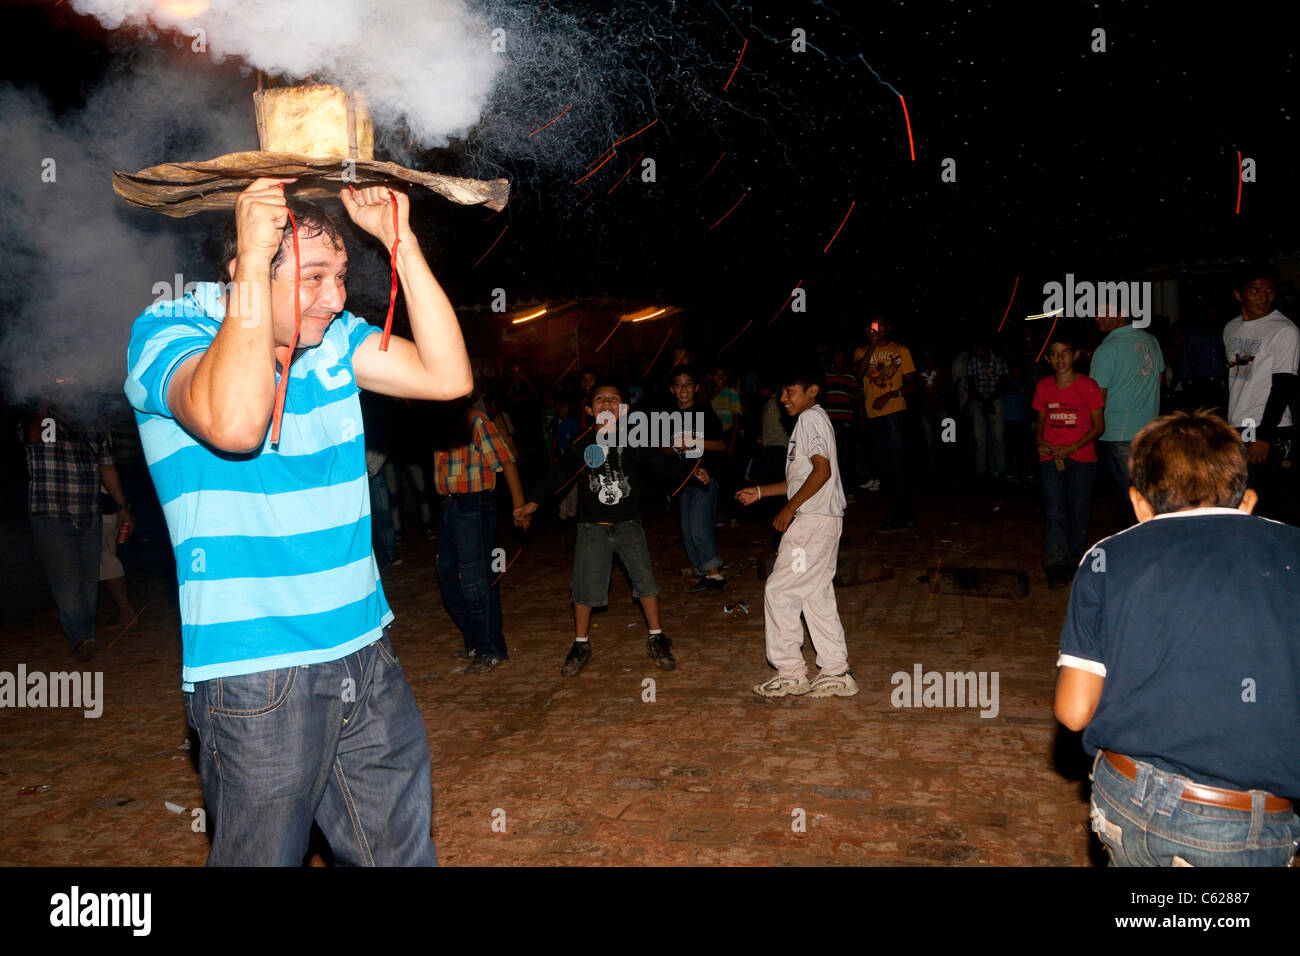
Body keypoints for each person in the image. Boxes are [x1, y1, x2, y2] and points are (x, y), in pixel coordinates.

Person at [125, 180, 472, 866]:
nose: (336, 298)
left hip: (365, 654)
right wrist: (255, 264)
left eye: (341, 276)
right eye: (314, 277)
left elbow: (447, 376)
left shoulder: (337, 341)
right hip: (257, 674)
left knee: (401, 858)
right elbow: (232, 424)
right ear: (245, 271)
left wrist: (402, 243)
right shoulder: (168, 330)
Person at [1054, 410, 1300, 866]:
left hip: (1126, 799)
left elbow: (1073, 712)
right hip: (1246, 819)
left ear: (1139, 504)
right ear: (1246, 502)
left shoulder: (1107, 557)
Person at [517, 381, 679, 676]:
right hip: (592, 527)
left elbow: (660, 466)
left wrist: (692, 470)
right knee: (584, 586)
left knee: (646, 582)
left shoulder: (634, 439)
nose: (607, 404)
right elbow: (560, 473)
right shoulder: (582, 441)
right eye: (600, 400)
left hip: (629, 525)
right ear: (590, 410)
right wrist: (533, 502)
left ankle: (656, 637)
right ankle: (581, 644)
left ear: (625, 409)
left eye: (614, 399)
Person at [734, 363, 856, 698]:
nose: (783, 399)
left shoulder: (810, 418)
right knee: (813, 593)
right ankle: (836, 670)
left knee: (780, 590)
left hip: (811, 523)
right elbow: (799, 480)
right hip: (824, 520)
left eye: (790, 392)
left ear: (812, 390)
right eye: (781, 392)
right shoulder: (812, 422)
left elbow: (822, 471)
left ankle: (790, 672)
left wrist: (790, 508)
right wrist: (760, 492)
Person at [21, 407, 133, 660]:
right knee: (68, 584)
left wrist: (122, 506)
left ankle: (85, 633)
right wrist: (42, 403)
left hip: (89, 515)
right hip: (52, 516)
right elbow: (31, 436)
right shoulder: (42, 422)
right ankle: (81, 637)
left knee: (89, 584)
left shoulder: (89, 425)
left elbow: (106, 467)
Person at [430, 398, 527, 672]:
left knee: (477, 579)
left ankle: (492, 648)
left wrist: (519, 506)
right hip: (450, 505)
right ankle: (475, 641)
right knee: (447, 576)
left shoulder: (477, 422)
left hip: (475, 505)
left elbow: (507, 461)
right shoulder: (439, 425)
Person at [1223, 263, 1298, 517]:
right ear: (1238, 295)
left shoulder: (1284, 330)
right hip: (1239, 425)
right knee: (1239, 500)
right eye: (1254, 291)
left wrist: (1263, 436)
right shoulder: (1231, 328)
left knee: (1266, 506)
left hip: (1268, 427)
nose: (1263, 297)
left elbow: (1284, 386)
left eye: (1268, 290)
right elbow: (1239, 379)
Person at [1032, 331, 1105, 589]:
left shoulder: (1088, 385)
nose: (1060, 359)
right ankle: (1055, 567)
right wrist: (1040, 440)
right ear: (1048, 359)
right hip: (1050, 458)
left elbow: (1098, 426)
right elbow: (1040, 421)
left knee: (1079, 513)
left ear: (1075, 356)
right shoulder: (1043, 387)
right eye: (1054, 354)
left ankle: (1075, 564)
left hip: (1082, 459)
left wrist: (1072, 447)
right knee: (1055, 513)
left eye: (1065, 353)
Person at [1090, 303, 1165, 526]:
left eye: (1103, 312)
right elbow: (1161, 382)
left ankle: (1134, 550)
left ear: (1121, 314)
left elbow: (1097, 400)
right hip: (1150, 432)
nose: (1097, 317)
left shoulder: (1107, 349)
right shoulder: (1151, 340)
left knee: (1128, 500)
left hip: (1117, 434)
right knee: (1146, 494)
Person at [666, 365, 727, 588]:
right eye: (678, 384)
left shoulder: (704, 412)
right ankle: (702, 570)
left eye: (688, 384)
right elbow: (665, 450)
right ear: (672, 389)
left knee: (700, 527)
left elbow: (720, 444)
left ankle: (715, 574)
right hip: (683, 482)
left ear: (696, 388)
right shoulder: (669, 417)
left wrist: (693, 441)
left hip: (705, 479)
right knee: (687, 530)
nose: (683, 389)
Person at [859, 317, 914, 531]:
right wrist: (871, 345)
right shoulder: (861, 351)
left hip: (895, 412)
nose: (878, 329)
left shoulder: (901, 350)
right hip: (873, 415)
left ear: (888, 327)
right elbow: (860, 374)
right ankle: (899, 513)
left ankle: (901, 516)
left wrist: (891, 394)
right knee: (883, 466)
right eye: (873, 325)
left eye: (881, 325)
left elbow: (912, 385)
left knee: (897, 464)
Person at [967, 335, 1009, 478]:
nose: (976, 350)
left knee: (998, 437)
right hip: (978, 400)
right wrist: (983, 401)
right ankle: (981, 472)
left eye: (979, 348)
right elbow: (971, 385)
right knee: (979, 439)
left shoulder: (999, 361)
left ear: (986, 348)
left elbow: (1003, 384)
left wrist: (989, 400)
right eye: (975, 348)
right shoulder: (973, 362)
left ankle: (1000, 470)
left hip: (995, 399)